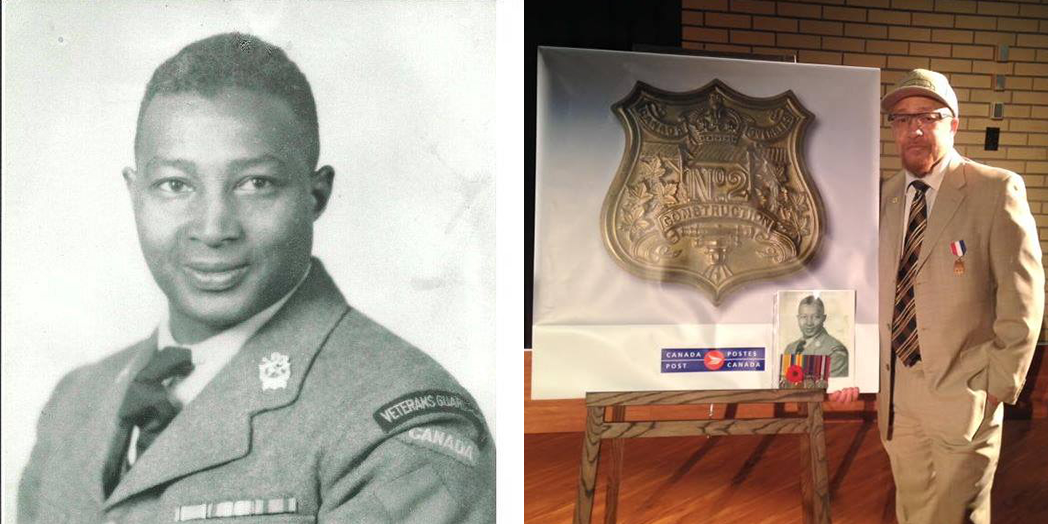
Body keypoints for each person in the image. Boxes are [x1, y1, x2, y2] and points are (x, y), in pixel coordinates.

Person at [17, 33, 494, 523]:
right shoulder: (74, 405)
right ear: (135, 193)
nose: (213, 228)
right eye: (175, 185)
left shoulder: (395, 429)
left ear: (316, 195)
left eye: (255, 184)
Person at [830, 69, 1043, 524]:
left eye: (928, 116)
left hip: (966, 391)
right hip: (899, 396)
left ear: (954, 124)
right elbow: (868, 290)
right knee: (913, 509)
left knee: (957, 514)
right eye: (902, 120)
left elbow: (1023, 295)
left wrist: (997, 385)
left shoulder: (994, 189)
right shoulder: (884, 197)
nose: (915, 129)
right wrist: (849, 364)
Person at [784, 295, 848, 377]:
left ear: (823, 318)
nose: (809, 323)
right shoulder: (790, 349)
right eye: (804, 317)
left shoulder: (836, 352)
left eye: (815, 317)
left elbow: (831, 387)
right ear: (798, 318)